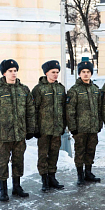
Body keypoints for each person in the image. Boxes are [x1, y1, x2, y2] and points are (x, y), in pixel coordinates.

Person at [0, 59, 35, 202]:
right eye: (10, 71)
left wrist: (30, 130)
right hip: (3, 136)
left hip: (20, 134)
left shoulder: (24, 90)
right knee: (3, 163)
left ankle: (17, 187)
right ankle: (3, 190)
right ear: (4, 73)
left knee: (18, 161)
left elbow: (30, 112)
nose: (13, 74)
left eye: (15, 71)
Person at [66, 61, 103, 186]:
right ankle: (80, 175)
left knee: (91, 150)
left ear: (91, 73)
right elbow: (70, 111)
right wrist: (73, 128)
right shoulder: (74, 90)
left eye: (88, 72)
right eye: (83, 72)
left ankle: (88, 172)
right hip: (80, 128)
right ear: (79, 74)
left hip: (93, 127)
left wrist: (99, 124)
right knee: (80, 151)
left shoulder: (95, 89)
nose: (86, 74)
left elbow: (99, 109)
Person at [32, 60, 66, 192]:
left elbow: (64, 109)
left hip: (56, 129)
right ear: (46, 73)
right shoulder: (39, 89)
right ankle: (44, 179)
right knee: (43, 155)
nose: (56, 75)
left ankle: (52, 177)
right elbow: (33, 110)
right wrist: (35, 128)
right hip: (43, 129)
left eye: (57, 72)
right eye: (53, 72)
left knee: (54, 154)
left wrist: (63, 125)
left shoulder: (60, 88)